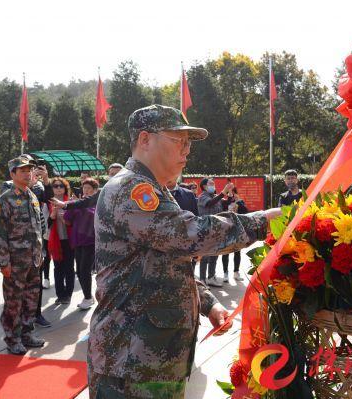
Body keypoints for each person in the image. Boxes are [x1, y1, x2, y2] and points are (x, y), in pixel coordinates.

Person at [84, 104, 282, 398]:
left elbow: (166, 263)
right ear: (145, 139)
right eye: (179, 140)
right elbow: (189, 235)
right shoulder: (131, 189)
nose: (187, 150)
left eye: (190, 143)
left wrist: (207, 302)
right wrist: (262, 222)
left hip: (154, 361)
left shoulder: (156, 190)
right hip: (129, 365)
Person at [0, 155, 47, 355]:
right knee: (14, 301)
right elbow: (0, 233)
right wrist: (3, 262)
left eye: (29, 170)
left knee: (31, 299)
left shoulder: (32, 196)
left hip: (33, 259)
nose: (27, 173)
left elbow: (37, 228)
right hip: (15, 261)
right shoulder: (6, 199)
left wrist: (40, 251)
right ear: (13, 174)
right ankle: (12, 337)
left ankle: (27, 333)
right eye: (23, 170)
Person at [64, 177, 99, 310]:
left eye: (89, 189)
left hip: (91, 242)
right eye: (84, 188)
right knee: (79, 270)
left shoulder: (97, 204)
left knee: (85, 270)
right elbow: (67, 220)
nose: (86, 191)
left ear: (95, 191)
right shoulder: (77, 204)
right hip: (78, 241)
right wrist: (72, 205)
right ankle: (89, 296)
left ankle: (88, 298)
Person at [197, 177, 234, 287]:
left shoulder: (215, 196)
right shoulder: (203, 197)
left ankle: (211, 277)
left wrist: (229, 193)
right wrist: (223, 192)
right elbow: (209, 203)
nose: (213, 185)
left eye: (213, 183)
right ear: (204, 186)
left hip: (217, 229)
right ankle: (202, 279)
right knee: (205, 255)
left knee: (215, 254)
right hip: (207, 229)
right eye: (210, 184)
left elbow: (226, 202)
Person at [48, 177, 75, 305]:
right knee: (58, 267)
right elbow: (44, 224)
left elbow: (76, 223)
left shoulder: (70, 202)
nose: (58, 188)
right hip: (55, 240)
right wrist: (52, 217)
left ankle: (68, 294)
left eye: (61, 186)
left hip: (69, 240)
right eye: (55, 186)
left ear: (65, 188)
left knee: (69, 268)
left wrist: (67, 221)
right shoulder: (48, 203)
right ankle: (60, 294)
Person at [221, 188, 248, 282]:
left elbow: (245, 212)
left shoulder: (240, 202)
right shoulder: (224, 202)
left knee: (237, 251)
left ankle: (236, 273)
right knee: (226, 252)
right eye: (229, 193)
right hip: (226, 229)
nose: (231, 194)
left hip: (237, 229)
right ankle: (225, 274)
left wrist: (238, 201)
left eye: (233, 192)